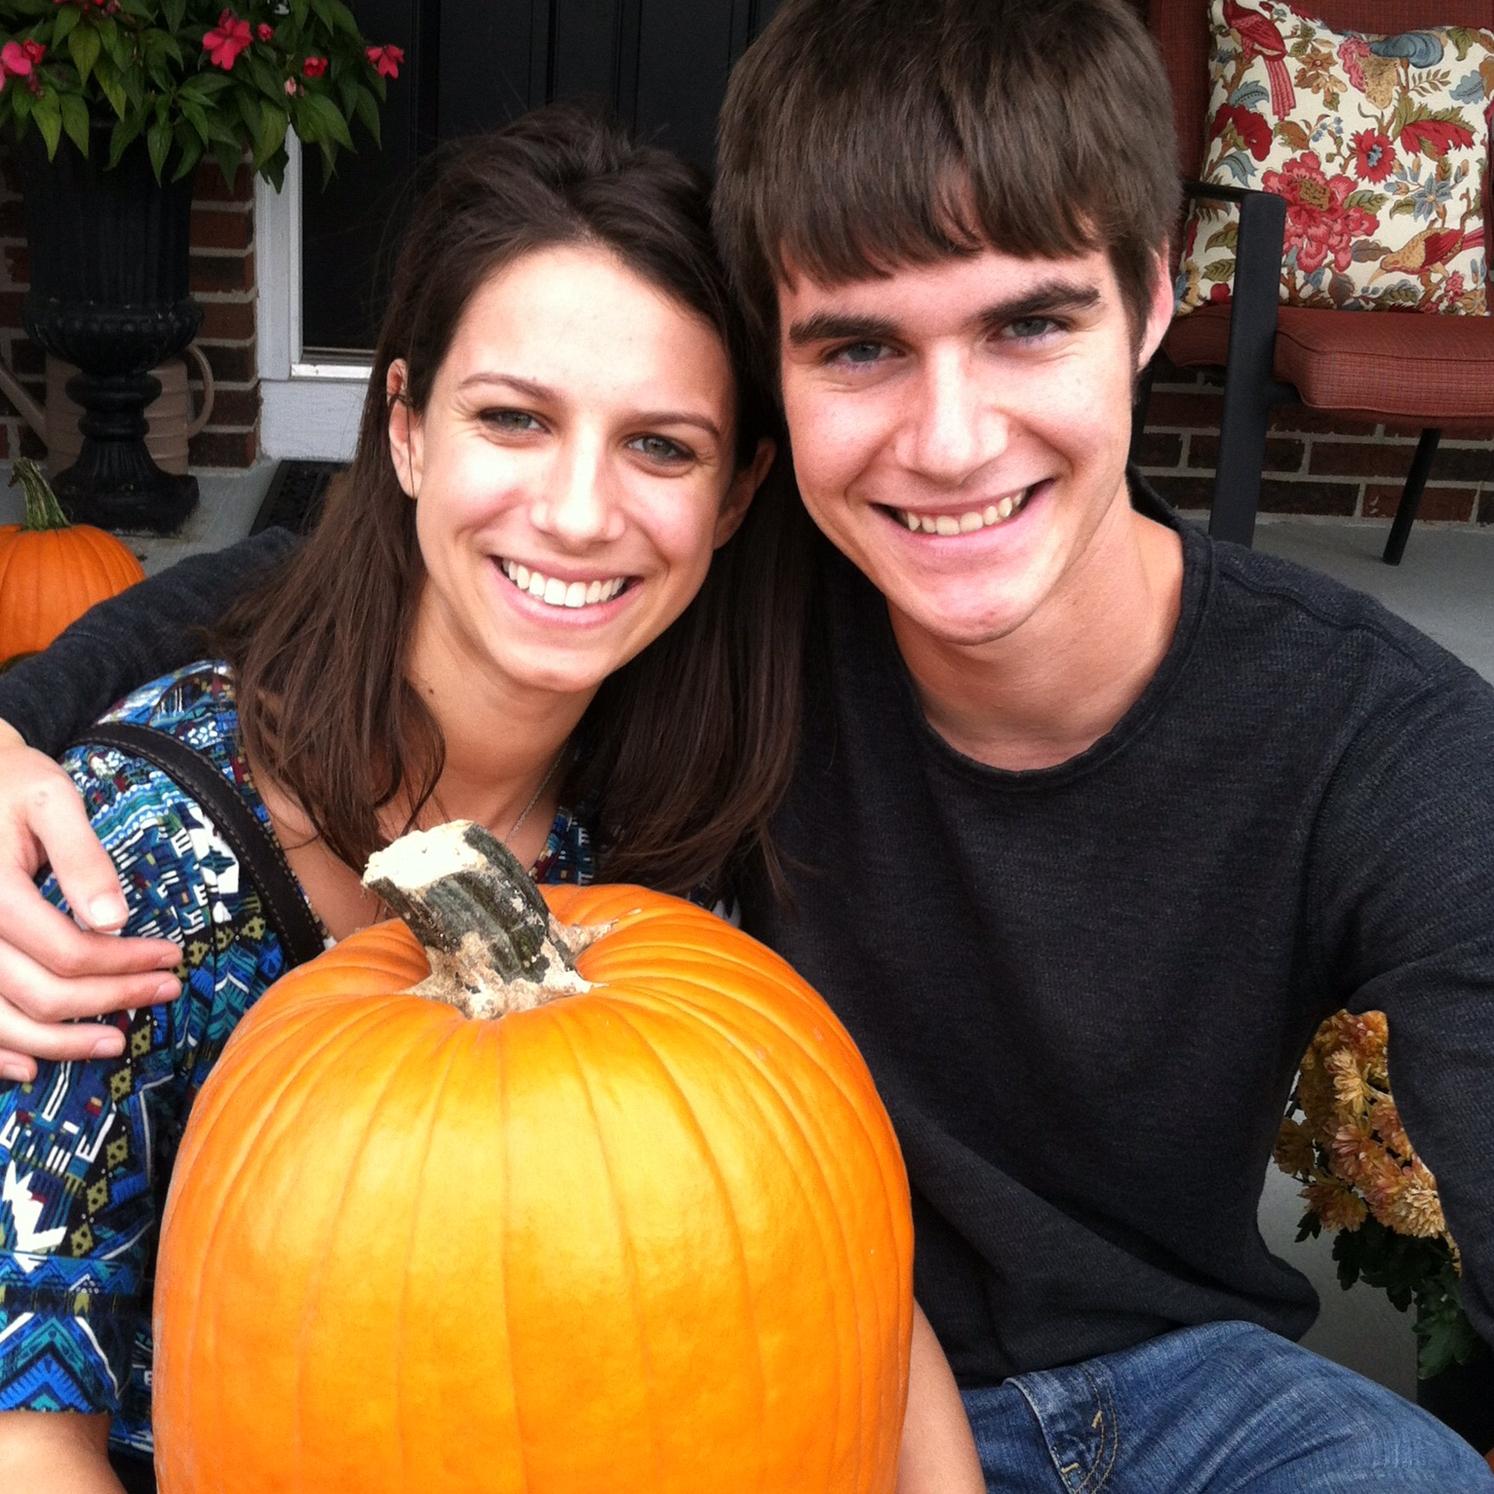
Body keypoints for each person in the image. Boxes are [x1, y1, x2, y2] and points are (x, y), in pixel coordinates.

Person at [0, 2, 1491, 1488]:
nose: (950, 439)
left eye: (1028, 322)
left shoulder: (1362, 739)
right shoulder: (705, 596)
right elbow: (336, 579)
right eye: (857, 346)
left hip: (1135, 1389)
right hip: (727, 1389)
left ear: (1153, 299)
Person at [0, 108, 981, 1492]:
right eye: (513, 419)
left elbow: (816, 1265)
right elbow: (24, 1440)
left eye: (660, 446)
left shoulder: (654, 844)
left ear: (739, 492)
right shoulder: (126, 865)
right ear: (404, 430)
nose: (579, 511)